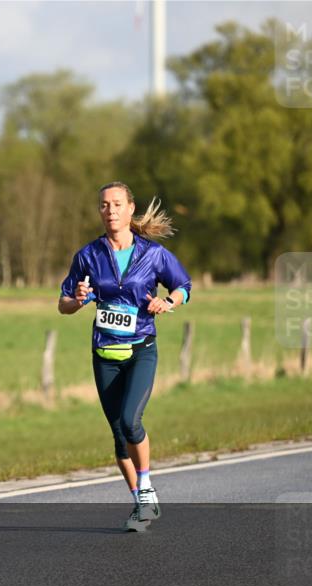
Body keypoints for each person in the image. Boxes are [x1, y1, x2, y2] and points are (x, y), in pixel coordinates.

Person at [58, 181, 192, 532]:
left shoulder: (153, 254)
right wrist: (79, 297)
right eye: (104, 205)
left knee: (132, 421)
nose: (110, 210)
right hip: (104, 354)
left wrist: (168, 302)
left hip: (140, 349)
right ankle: (141, 504)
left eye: (117, 204)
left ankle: (146, 489)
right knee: (119, 434)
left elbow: (183, 286)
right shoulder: (88, 255)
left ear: (131, 209)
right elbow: (64, 304)